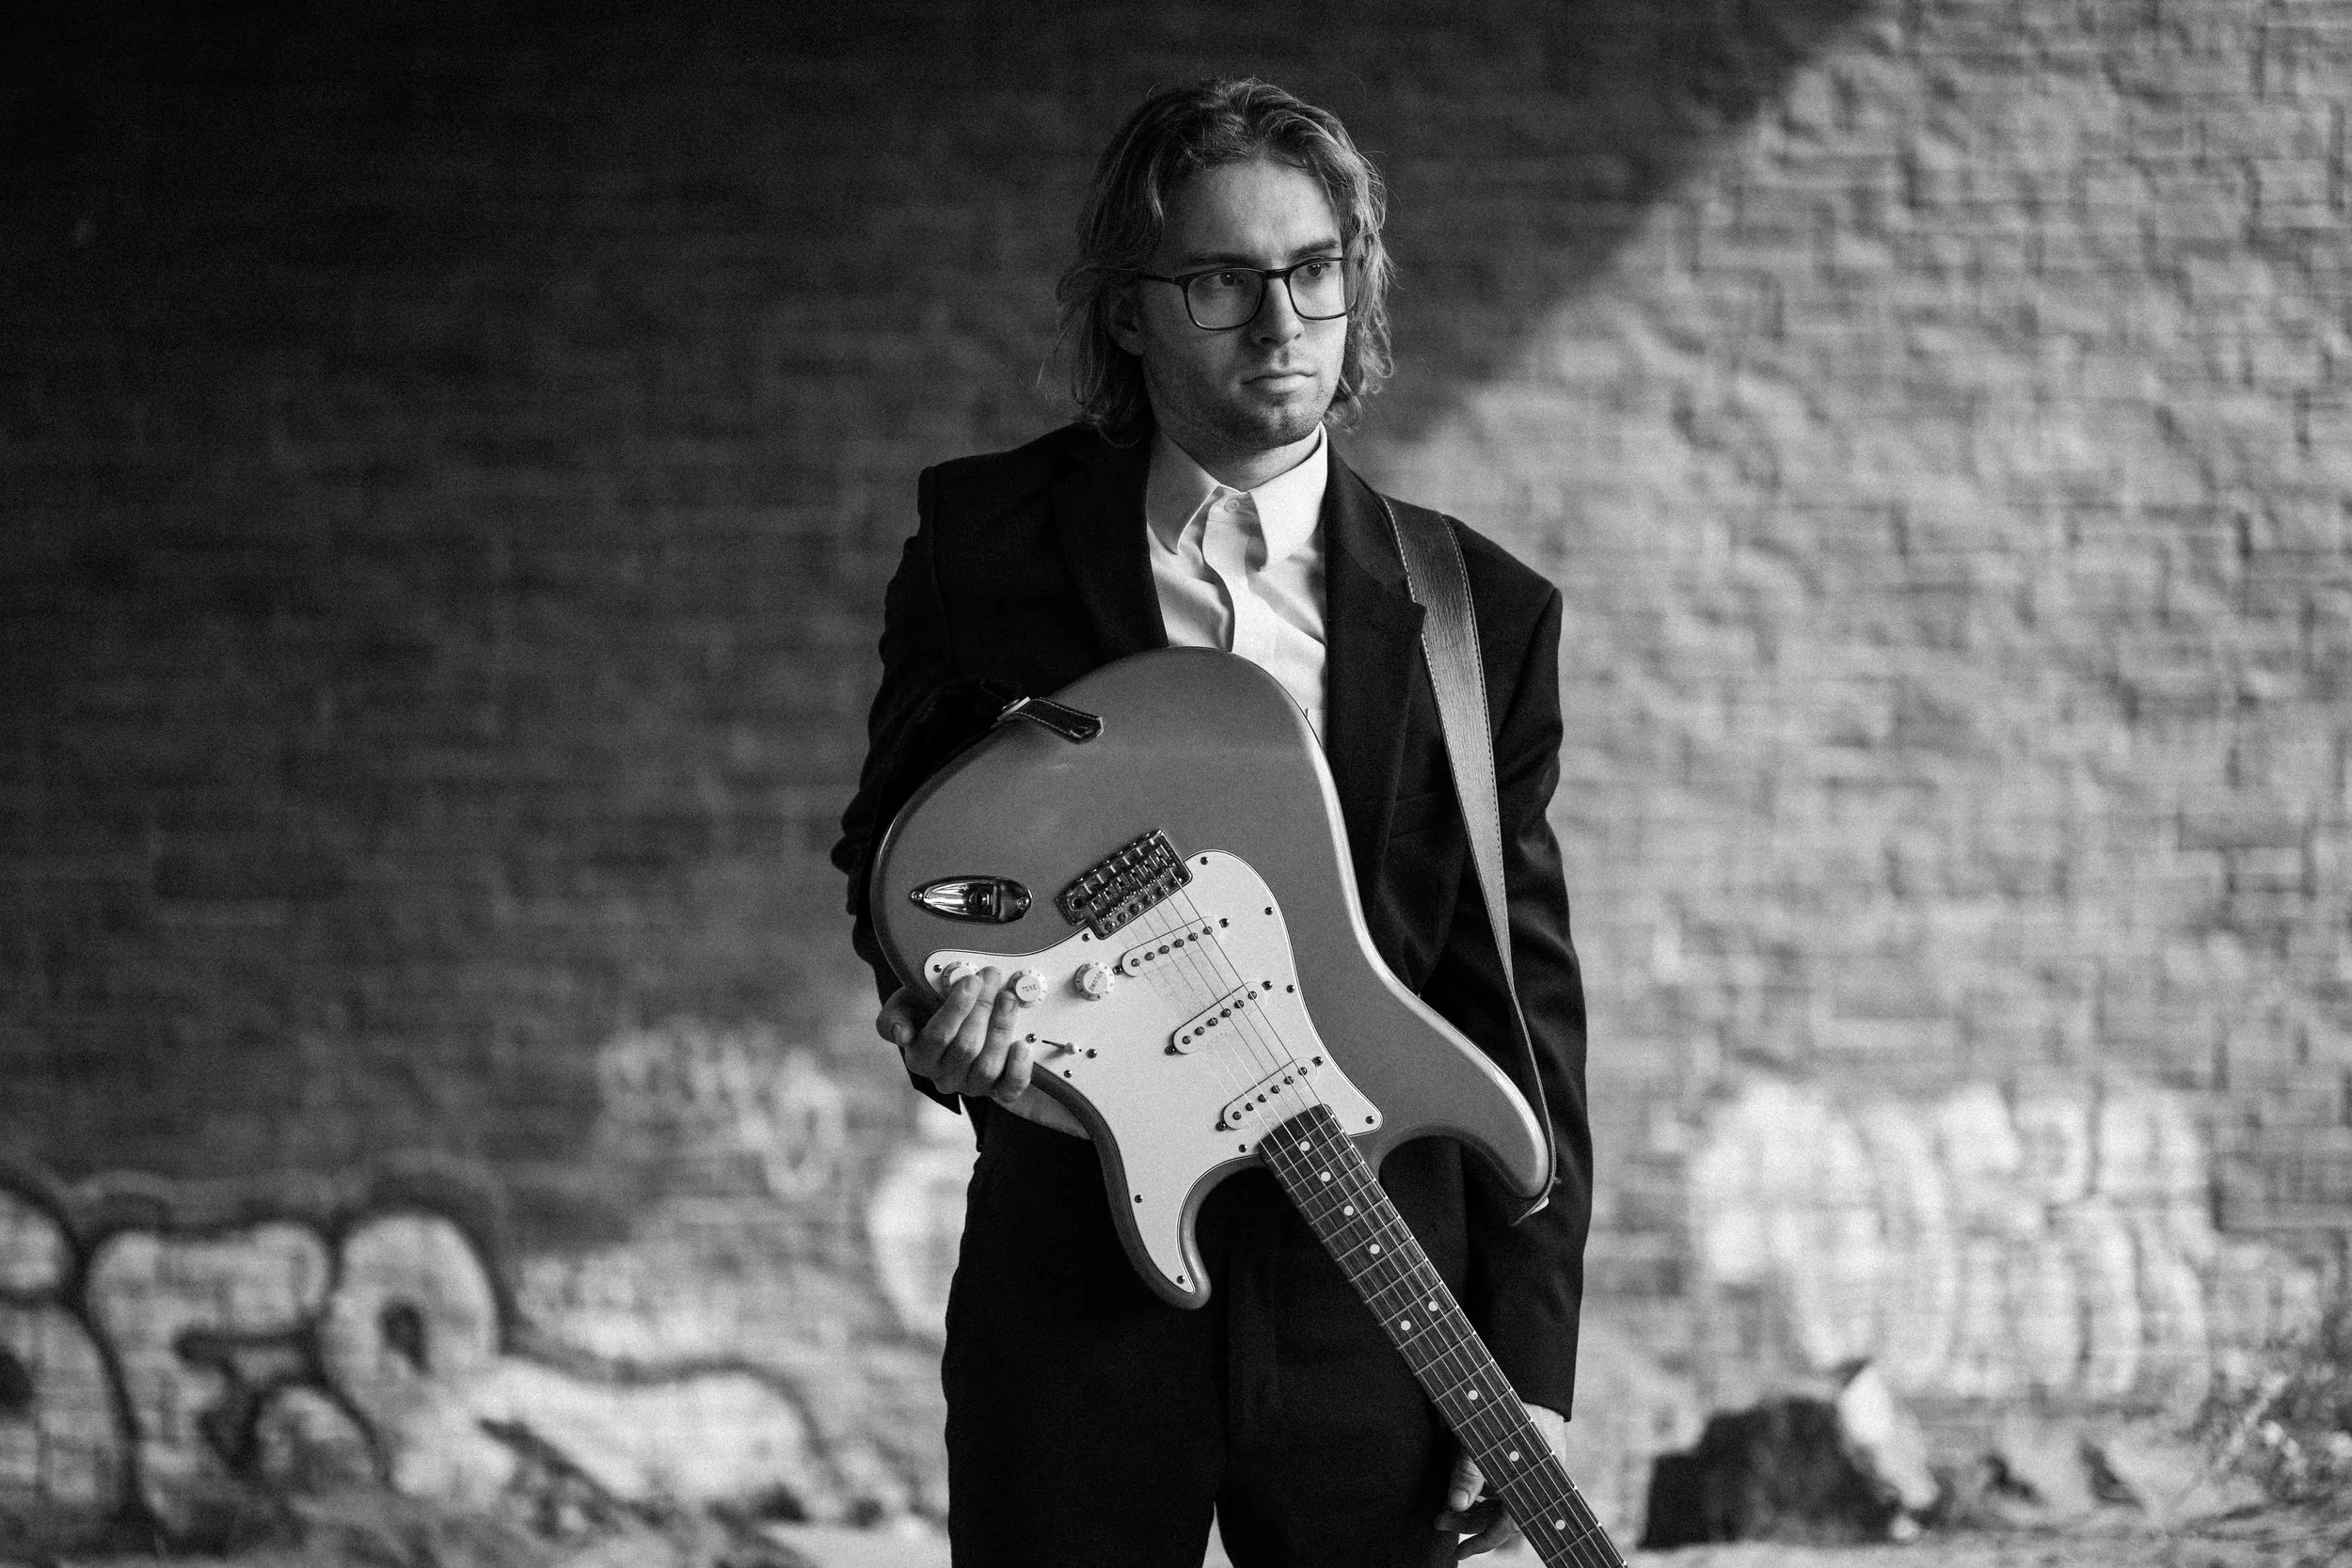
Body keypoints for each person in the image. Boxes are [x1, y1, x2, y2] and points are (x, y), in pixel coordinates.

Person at [832, 77, 1592, 1568]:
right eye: (1220, 281)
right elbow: (897, 859)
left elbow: (1519, 995)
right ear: (1128, 314)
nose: (1281, 320)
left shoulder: (1475, 616)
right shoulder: (989, 545)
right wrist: (936, 1017)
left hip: (1378, 1288)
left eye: (1314, 272)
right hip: (1074, 1284)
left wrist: (1534, 1369)